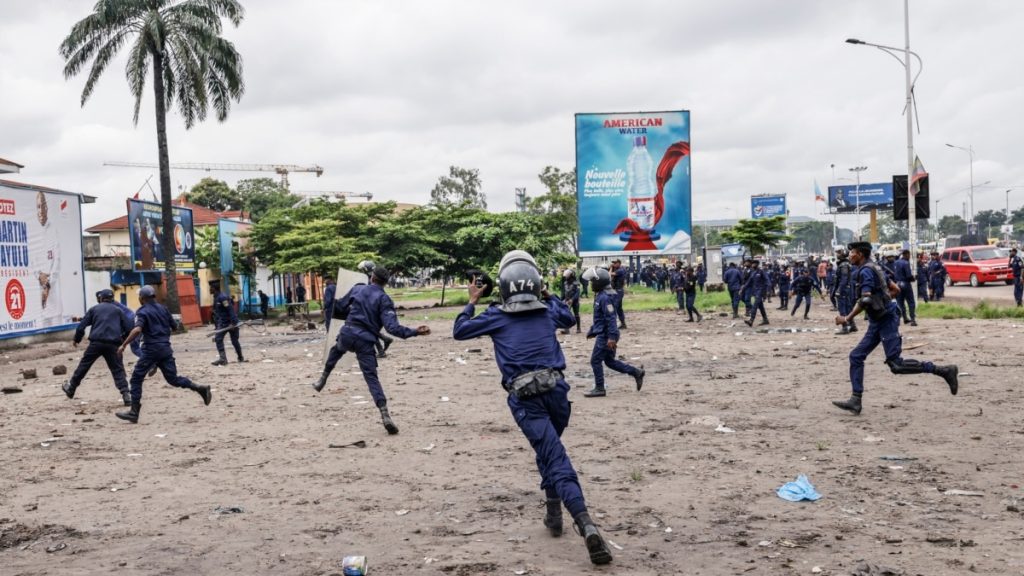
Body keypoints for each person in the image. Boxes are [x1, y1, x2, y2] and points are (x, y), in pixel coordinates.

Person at [452, 250, 613, 566]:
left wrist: (471, 299)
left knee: (554, 457)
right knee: (549, 451)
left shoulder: (496, 315)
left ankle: (585, 522)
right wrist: (547, 293)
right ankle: (553, 513)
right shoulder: (547, 312)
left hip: (525, 398)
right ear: (536, 284)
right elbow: (568, 318)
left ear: (503, 286)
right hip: (557, 393)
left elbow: (459, 330)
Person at [831, 242, 959, 415]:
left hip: (886, 319)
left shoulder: (865, 271)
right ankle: (856, 399)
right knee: (856, 356)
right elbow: (895, 290)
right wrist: (883, 299)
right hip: (879, 319)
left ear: (860, 254)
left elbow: (866, 300)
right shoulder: (876, 267)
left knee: (896, 365)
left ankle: (943, 371)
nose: (850, 255)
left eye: (852, 252)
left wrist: (846, 318)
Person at [311, 265, 429, 435]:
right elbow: (392, 328)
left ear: (372, 278)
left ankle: (323, 378)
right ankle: (385, 414)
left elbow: (340, 308)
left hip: (348, 333)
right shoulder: (385, 300)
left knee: (336, 349)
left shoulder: (358, 289)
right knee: (371, 378)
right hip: (366, 341)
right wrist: (415, 332)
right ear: (385, 283)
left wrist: (342, 308)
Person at [115, 285, 212, 423]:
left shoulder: (142, 311)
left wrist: (124, 345)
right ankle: (199, 388)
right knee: (173, 379)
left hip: (151, 350)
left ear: (141, 298)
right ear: (154, 296)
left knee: (136, 379)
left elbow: (137, 330)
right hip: (165, 349)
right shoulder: (163, 309)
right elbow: (175, 326)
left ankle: (134, 412)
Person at [62, 289, 133, 405]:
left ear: (100, 298)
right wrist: (122, 341)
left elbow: (81, 327)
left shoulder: (94, 309)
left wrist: (77, 339)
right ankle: (126, 395)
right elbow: (129, 327)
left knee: (84, 366)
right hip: (113, 344)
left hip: (96, 343)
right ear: (112, 298)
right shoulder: (118, 311)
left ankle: (71, 388)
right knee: (117, 369)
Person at [582, 266, 644, 398]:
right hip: (606, 333)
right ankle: (636, 372)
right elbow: (601, 318)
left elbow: (610, 318)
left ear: (599, 282)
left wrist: (611, 337)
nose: (591, 284)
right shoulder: (601, 295)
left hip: (607, 335)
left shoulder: (604, 297)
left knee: (595, 361)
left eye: (593, 281)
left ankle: (600, 388)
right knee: (609, 361)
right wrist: (593, 330)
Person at [356, 260, 396, 357]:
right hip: (377, 307)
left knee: (367, 328)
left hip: (373, 308)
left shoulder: (370, 280)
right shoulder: (375, 278)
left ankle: (383, 343)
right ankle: (382, 347)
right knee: (369, 329)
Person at [209, 280, 244, 366]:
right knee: (218, 339)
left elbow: (230, 309)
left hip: (229, 322)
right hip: (222, 323)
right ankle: (223, 359)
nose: (209, 289)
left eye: (211, 288)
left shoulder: (223, 297)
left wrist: (233, 323)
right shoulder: (216, 297)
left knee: (234, 340)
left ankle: (240, 357)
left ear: (214, 288)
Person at [834, 249, 857, 334]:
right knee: (848, 308)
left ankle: (845, 327)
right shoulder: (845, 264)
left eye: (839, 253)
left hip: (843, 289)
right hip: (846, 288)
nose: (837, 254)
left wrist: (839, 290)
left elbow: (844, 279)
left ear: (843, 254)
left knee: (842, 308)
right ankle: (852, 325)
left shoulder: (843, 265)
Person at [741, 260, 769, 327]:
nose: (753, 264)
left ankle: (751, 320)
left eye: (754, 263)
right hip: (755, 292)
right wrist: (742, 289)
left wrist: (768, 291)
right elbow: (748, 282)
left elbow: (767, 281)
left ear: (757, 264)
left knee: (755, 305)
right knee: (761, 306)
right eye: (752, 263)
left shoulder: (761, 272)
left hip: (761, 292)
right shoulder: (753, 273)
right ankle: (765, 319)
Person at [894, 249, 918, 326]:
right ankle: (913, 320)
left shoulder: (896, 262)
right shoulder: (906, 263)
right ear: (906, 254)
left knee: (900, 303)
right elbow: (908, 276)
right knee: (911, 302)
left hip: (897, 284)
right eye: (909, 255)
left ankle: (901, 319)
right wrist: (913, 278)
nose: (909, 256)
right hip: (905, 284)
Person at [561, 269, 582, 334]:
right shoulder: (565, 283)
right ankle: (566, 329)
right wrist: (561, 299)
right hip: (567, 300)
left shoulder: (576, 283)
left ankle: (578, 328)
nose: (566, 277)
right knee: (566, 314)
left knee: (576, 314)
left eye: (568, 275)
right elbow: (564, 292)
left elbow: (577, 293)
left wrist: (572, 299)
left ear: (571, 275)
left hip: (575, 301)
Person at [609, 259, 627, 329]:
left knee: (614, 307)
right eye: (613, 263)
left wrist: (610, 268)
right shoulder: (618, 269)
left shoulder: (621, 270)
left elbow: (609, 274)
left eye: (615, 263)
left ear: (619, 263)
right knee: (619, 308)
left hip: (618, 291)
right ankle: (623, 324)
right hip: (617, 290)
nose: (613, 264)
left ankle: (613, 325)